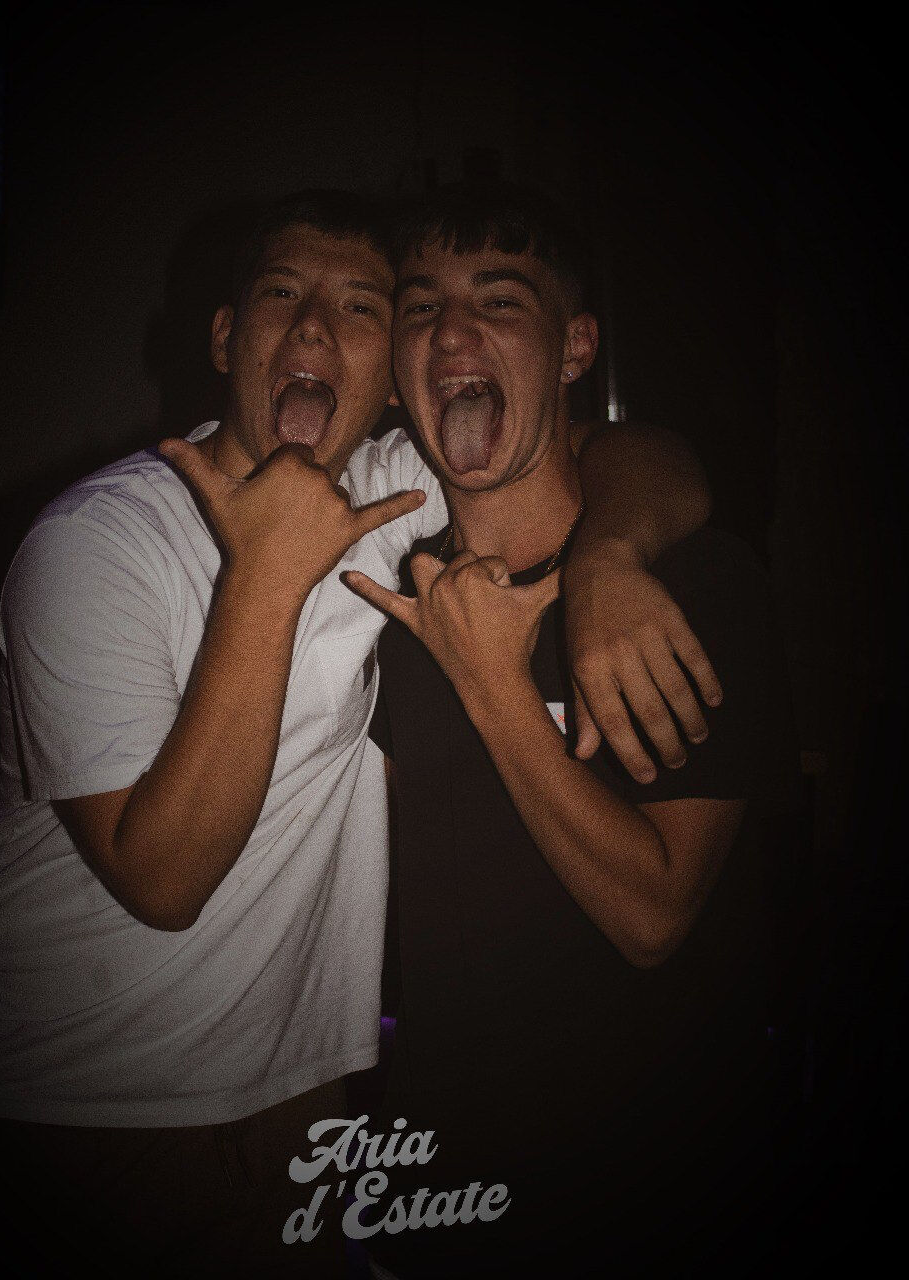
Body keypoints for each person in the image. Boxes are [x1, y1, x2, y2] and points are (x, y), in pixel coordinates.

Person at [0, 190, 715, 1276]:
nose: (310, 328)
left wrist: (612, 557)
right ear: (223, 336)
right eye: (281, 294)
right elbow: (163, 876)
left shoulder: (391, 496)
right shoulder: (97, 544)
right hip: (69, 1110)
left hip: (300, 1113)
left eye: (357, 308)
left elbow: (627, 452)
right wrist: (268, 572)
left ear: (390, 376)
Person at [348, 183, 796, 1277]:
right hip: (436, 1188)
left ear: (575, 347)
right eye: (421, 307)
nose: (451, 333)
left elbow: (654, 913)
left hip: (654, 1195)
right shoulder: (396, 600)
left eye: (499, 301)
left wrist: (498, 685)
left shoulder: (694, 582)